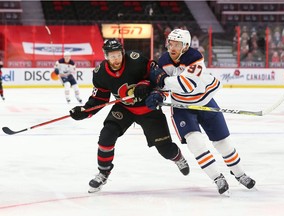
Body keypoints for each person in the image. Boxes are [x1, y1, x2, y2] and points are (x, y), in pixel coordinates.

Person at [69, 38, 190, 193]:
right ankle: (103, 172)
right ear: (106, 56)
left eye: (118, 55)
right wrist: (84, 111)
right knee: (107, 134)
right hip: (124, 108)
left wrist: (146, 85)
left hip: (148, 108)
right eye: (112, 56)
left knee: (166, 149)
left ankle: (177, 157)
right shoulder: (100, 73)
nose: (116, 59)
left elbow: (156, 76)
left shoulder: (136, 60)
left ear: (123, 53)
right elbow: (99, 99)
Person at [147, 29, 256, 195]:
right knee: (196, 144)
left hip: (205, 102)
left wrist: (162, 80)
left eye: (177, 44)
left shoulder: (194, 57)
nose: (172, 47)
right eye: (171, 43)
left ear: (186, 46)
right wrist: (156, 93)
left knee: (223, 143)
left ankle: (240, 174)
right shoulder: (164, 60)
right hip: (182, 108)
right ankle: (217, 177)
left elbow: (186, 85)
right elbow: (159, 85)